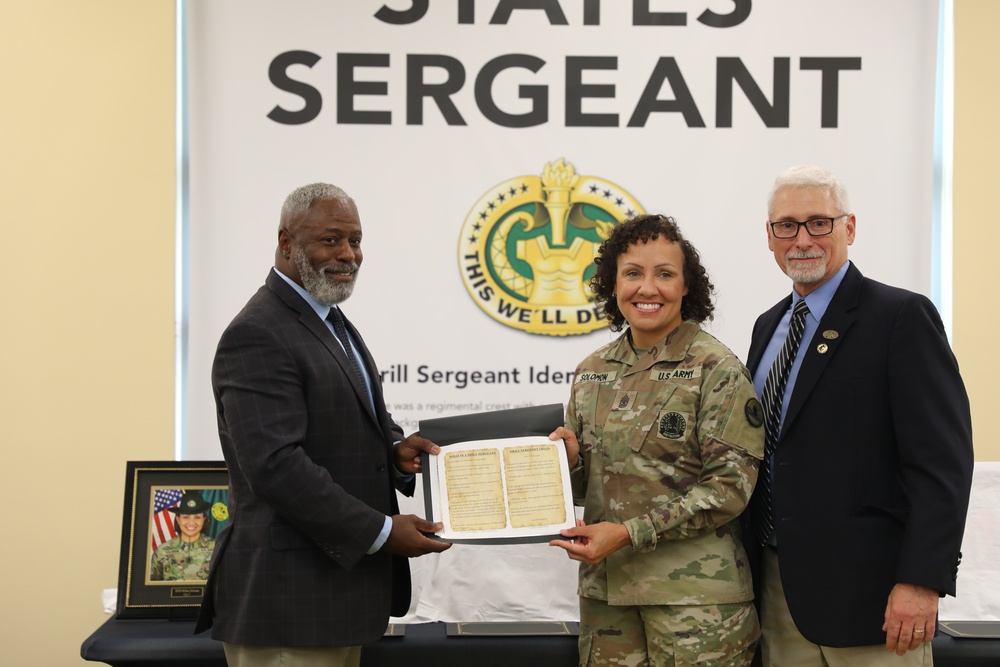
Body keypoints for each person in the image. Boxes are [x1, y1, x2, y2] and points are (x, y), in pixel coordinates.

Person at [194, 182, 451, 667]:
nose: (348, 254)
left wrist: (393, 450)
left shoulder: (327, 318)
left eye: (355, 240)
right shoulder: (258, 331)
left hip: (333, 597)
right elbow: (276, 466)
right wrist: (380, 531)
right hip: (288, 603)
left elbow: (343, 423)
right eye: (330, 239)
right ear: (286, 242)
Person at [744, 165, 974, 666]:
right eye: (786, 225)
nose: (802, 239)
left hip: (876, 602)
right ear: (769, 237)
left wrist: (921, 580)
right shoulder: (767, 328)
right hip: (778, 595)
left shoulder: (900, 318)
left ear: (849, 228)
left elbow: (942, 464)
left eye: (818, 223)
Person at [549, 214, 766, 667]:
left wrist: (629, 534)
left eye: (664, 274)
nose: (647, 288)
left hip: (696, 607)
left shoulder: (716, 369)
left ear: (687, 287)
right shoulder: (593, 371)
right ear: (613, 283)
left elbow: (728, 490)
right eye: (633, 274)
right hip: (607, 603)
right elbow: (591, 482)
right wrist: (565, 464)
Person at [149, 491, 216, 582]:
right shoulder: (162, 551)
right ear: (178, 519)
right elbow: (152, 589)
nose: (191, 522)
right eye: (186, 517)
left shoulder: (216, 548)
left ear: (204, 519)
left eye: (197, 517)